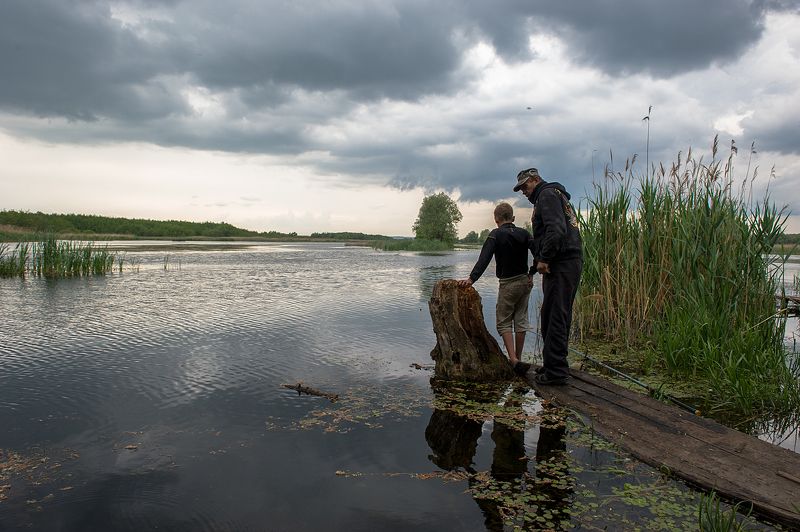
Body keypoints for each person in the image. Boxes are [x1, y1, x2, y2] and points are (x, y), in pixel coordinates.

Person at [513, 167, 582, 385]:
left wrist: (544, 259)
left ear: (535, 180)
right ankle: (554, 365)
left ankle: (556, 373)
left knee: (554, 316)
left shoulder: (547, 195)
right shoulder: (554, 195)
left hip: (561, 263)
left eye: (526, 185)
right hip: (565, 261)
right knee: (554, 314)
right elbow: (552, 232)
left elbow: (556, 230)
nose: (524, 191)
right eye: (521, 188)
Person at [458, 202, 535, 377]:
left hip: (508, 283)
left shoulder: (495, 235)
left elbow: (484, 258)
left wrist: (472, 279)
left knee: (504, 320)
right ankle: (519, 357)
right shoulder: (524, 234)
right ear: (513, 218)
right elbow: (539, 252)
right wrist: (532, 272)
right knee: (521, 319)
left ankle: (513, 360)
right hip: (524, 282)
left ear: (496, 219)